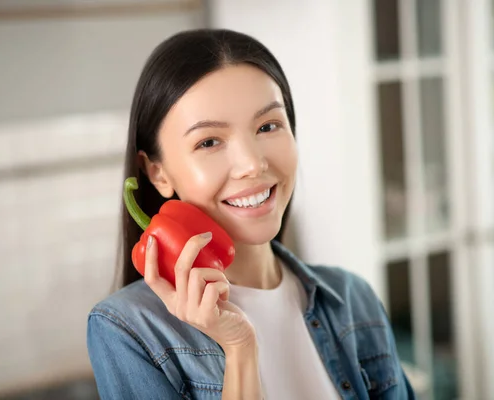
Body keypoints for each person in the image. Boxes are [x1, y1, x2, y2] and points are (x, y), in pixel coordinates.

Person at [86, 28, 415, 400]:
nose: (252, 164)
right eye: (209, 142)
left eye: (268, 126)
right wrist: (239, 347)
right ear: (157, 172)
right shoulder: (129, 330)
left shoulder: (353, 299)